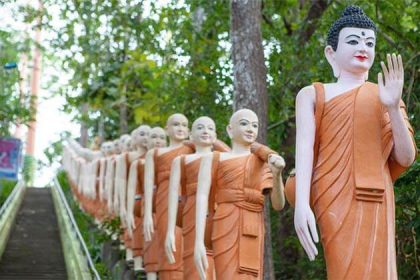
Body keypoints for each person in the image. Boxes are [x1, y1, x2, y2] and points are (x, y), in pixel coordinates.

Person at [292, 6, 416, 279]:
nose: (363, 47)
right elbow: (303, 152)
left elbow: (406, 158)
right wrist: (302, 204)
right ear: (330, 52)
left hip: (378, 195)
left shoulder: (383, 95)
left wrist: (394, 107)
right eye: (353, 40)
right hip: (332, 192)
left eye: (369, 42)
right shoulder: (312, 94)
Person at [194, 109, 286, 279]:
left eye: (255, 125)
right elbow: (201, 197)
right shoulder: (213, 158)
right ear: (230, 130)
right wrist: (198, 241)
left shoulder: (262, 161)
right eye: (244, 123)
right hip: (224, 223)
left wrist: (277, 174)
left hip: (252, 226)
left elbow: (278, 205)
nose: (250, 128)